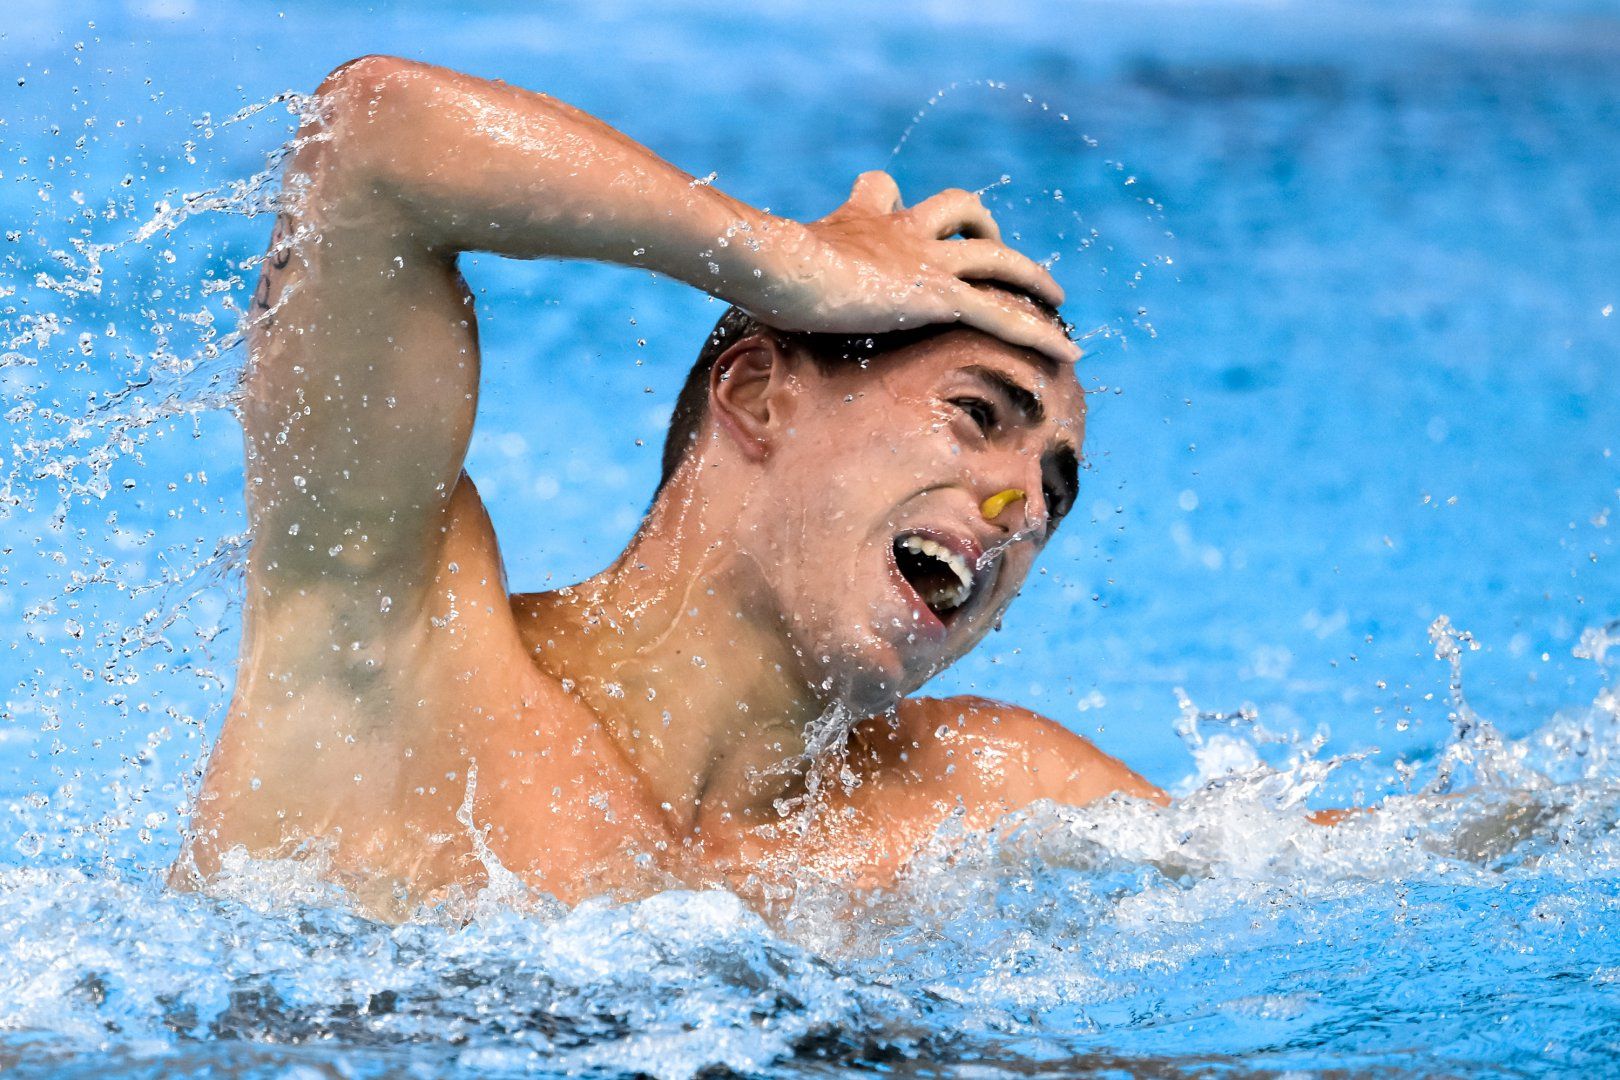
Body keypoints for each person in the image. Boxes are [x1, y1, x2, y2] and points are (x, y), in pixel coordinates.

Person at [173, 55, 1165, 920]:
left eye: (1056, 491)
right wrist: (785, 260)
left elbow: (1315, 880)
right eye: (979, 416)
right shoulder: (391, 644)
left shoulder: (977, 796)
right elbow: (372, 138)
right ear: (757, 395)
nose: (1022, 510)